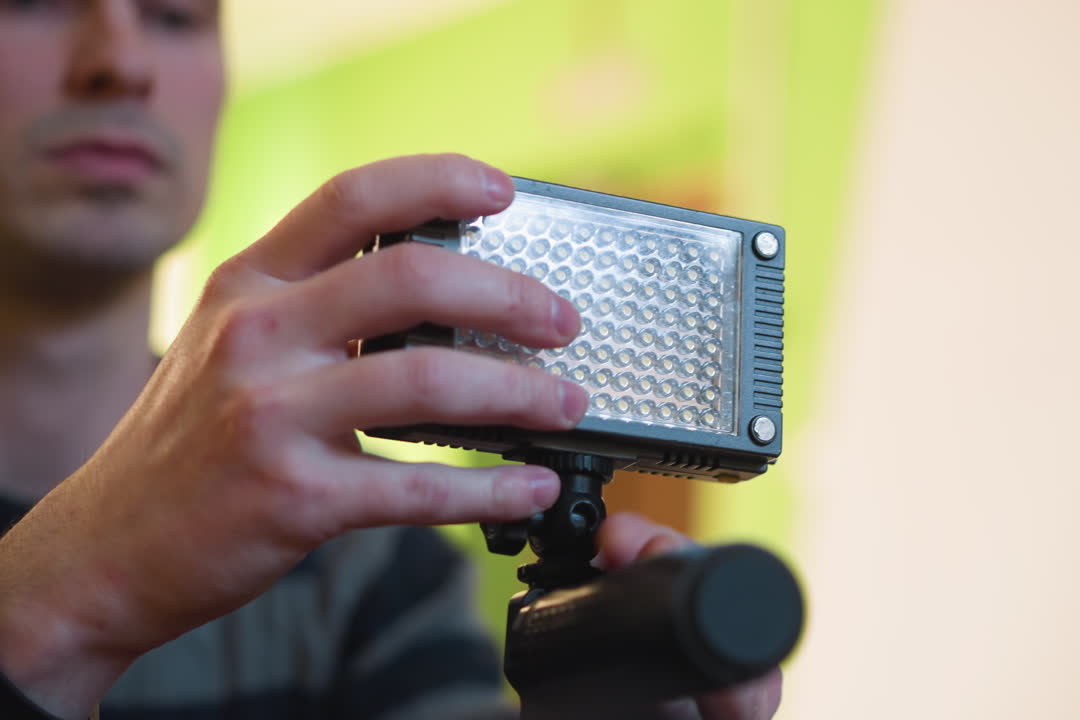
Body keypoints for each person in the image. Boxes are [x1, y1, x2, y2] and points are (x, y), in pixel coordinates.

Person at [0, 2, 783, 718]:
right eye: (35, 3)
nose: (120, 62)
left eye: (175, 16)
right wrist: (54, 607)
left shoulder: (372, 567)